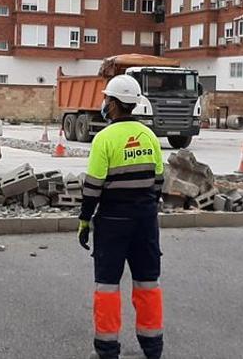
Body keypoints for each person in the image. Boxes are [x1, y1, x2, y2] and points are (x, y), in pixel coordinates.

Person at [78, 74, 165, 359]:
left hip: (113, 221)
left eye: (106, 98)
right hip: (145, 221)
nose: (103, 103)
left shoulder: (104, 138)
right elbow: (158, 180)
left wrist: (84, 220)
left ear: (114, 104)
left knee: (107, 286)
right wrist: (147, 207)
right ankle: (152, 349)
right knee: (147, 284)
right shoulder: (149, 136)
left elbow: (92, 187)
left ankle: (106, 350)